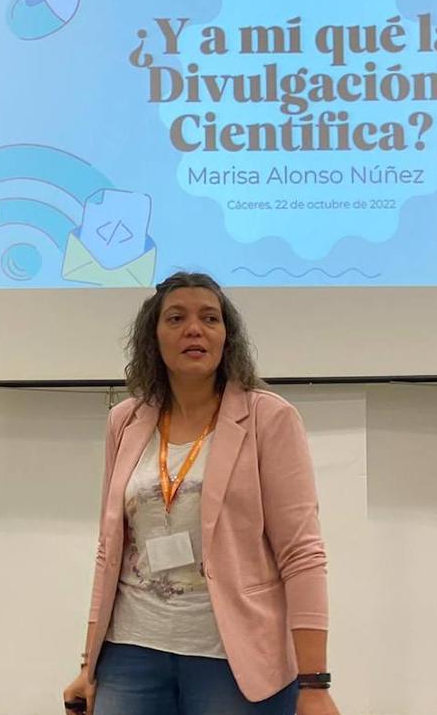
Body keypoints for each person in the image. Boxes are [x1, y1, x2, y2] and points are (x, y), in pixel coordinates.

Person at [63, 272, 340, 715]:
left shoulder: (268, 418)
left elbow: (302, 554)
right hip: (130, 652)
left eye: (209, 318)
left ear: (226, 338)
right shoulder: (125, 421)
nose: (194, 329)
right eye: (176, 318)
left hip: (231, 660)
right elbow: (109, 549)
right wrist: (88, 665)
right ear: (153, 339)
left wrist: (314, 683)